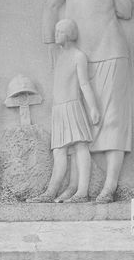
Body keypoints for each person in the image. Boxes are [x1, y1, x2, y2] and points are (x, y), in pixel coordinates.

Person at [42, 0, 132, 203]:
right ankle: (76, 186)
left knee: (112, 117)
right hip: (77, 54)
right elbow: (51, 5)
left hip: (111, 49)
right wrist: (50, 44)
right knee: (76, 124)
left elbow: (126, 12)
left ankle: (109, 186)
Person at [27, 19, 100, 203]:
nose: (56, 34)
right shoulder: (58, 56)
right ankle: (50, 192)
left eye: (60, 31)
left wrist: (93, 108)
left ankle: (82, 192)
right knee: (58, 151)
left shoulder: (78, 56)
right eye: (56, 31)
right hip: (58, 110)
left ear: (69, 34)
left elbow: (84, 84)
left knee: (80, 146)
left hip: (73, 107)